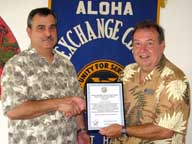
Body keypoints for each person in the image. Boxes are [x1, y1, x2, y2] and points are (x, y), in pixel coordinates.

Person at [1, 7, 90, 144]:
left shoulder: (66, 64)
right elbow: (13, 110)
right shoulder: (17, 65)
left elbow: (76, 102)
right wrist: (58, 104)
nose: (48, 33)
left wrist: (81, 131)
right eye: (41, 28)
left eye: (52, 27)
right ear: (29, 32)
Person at [99, 20, 190, 144]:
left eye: (149, 43)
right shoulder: (128, 71)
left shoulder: (174, 79)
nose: (142, 50)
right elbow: (112, 104)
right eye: (137, 44)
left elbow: (165, 130)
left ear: (162, 46)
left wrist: (123, 130)